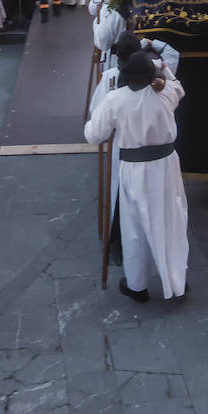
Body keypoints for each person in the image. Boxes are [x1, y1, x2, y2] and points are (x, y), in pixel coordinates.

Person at [83, 52, 187, 301]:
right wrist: (163, 70)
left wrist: (94, 119)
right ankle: (176, 279)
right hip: (166, 165)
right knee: (173, 219)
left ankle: (137, 285)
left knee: (134, 227)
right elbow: (178, 86)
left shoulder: (115, 100)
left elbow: (93, 136)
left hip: (135, 170)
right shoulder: (167, 93)